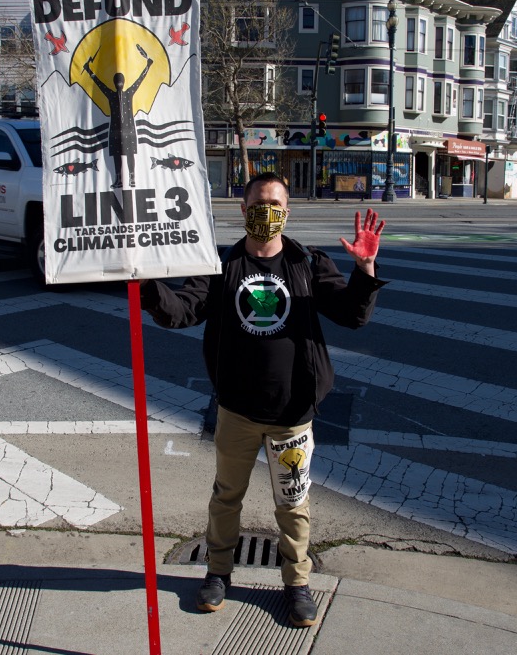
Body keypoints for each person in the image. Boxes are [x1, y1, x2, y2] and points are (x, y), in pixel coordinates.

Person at [140, 171, 386, 627]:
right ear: (243, 210)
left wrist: (364, 269)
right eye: (257, 204)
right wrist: (149, 287)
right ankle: (217, 573)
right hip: (236, 410)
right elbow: (182, 312)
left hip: (291, 415)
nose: (265, 213)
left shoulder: (308, 265)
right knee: (226, 496)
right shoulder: (221, 267)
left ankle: (296, 584)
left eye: (275, 205)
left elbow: (353, 315)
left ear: (287, 213)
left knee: (293, 504)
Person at [85, 44, 153, 189]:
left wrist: (89, 70)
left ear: (115, 83)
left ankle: (120, 179)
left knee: (119, 155)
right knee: (129, 154)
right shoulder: (128, 93)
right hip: (127, 129)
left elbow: (98, 83)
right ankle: (130, 178)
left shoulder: (112, 94)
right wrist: (148, 66)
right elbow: (140, 80)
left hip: (116, 130)